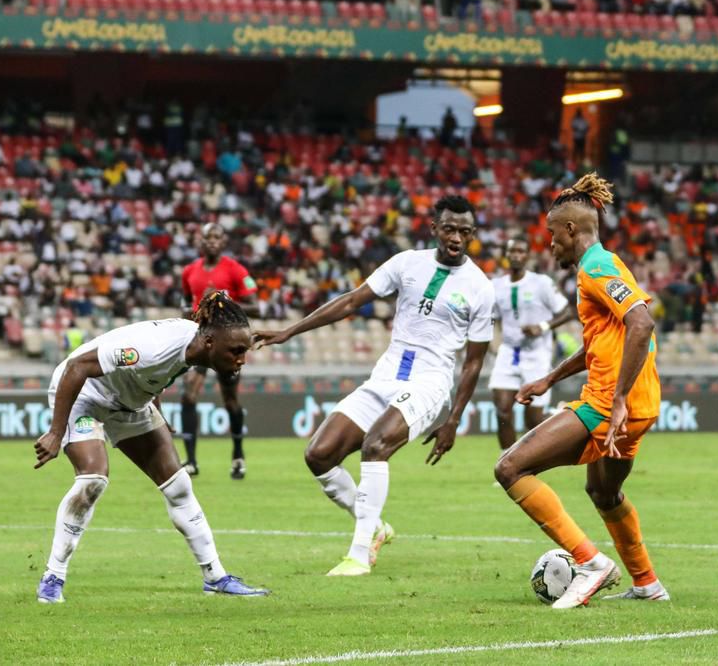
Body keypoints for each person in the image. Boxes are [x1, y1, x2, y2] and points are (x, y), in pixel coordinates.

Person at [255, 196, 494, 577]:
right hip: (385, 375)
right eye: (449, 229)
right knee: (319, 454)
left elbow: (475, 361)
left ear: (473, 236)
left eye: (465, 232)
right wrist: (289, 331)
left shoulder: (481, 287)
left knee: (376, 446)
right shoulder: (406, 263)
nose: (456, 238)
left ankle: (359, 553)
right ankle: (377, 526)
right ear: (434, 228)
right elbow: (352, 301)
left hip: (429, 381)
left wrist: (453, 419)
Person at [494, 173, 667, 609]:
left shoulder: (597, 266)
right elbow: (602, 341)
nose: (550, 244)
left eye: (552, 235)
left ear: (571, 229)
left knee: (510, 468)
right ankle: (647, 583)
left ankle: (589, 563)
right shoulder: (604, 265)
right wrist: (549, 379)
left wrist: (620, 397)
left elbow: (641, 323)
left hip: (611, 403)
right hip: (638, 406)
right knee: (604, 493)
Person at [33, 292, 269, 603]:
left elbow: (155, 377)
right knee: (93, 479)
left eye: (244, 351)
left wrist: (157, 410)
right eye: (236, 351)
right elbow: (78, 366)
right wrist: (55, 431)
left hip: (131, 402)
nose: (241, 359)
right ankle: (52, 578)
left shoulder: (194, 347)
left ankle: (215, 577)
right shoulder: (149, 349)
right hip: (85, 395)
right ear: (210, 342)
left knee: (179, 486)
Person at [178, 223, 259, 479]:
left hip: (227, 344)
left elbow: (256, 306)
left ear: (223, 242)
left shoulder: (235, 270)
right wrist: (188, 314)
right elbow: (184, 303)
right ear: (200, 242)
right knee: (189, 394)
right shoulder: (189, 271)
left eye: (217, 237)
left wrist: (221, 301)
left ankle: (237, 455)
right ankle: (190, 461)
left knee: (230, 401)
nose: (212, 241)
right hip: (201, 341)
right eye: (207, 237)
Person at [489, 237, 573, 451]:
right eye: (512, 251)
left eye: (521, 251)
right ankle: (506, 464)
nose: (516, 255)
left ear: (527, 256)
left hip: (537, 354)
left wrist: (543, 327)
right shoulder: (496, 286)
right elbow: (492, 318)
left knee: (533, 421)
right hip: (508, 352)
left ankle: (561, 414)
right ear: (506, 256)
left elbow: (567, 311)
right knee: (502, 410)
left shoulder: (541, 283)